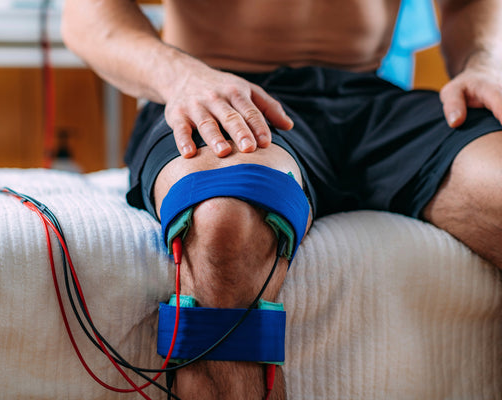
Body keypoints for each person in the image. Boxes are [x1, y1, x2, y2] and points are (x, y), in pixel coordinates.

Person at [62, 0, 502, 398]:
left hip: (372, 101)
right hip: (219, 91)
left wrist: (482, 62)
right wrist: (182, 77)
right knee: (222, 224)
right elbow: (90, 14)